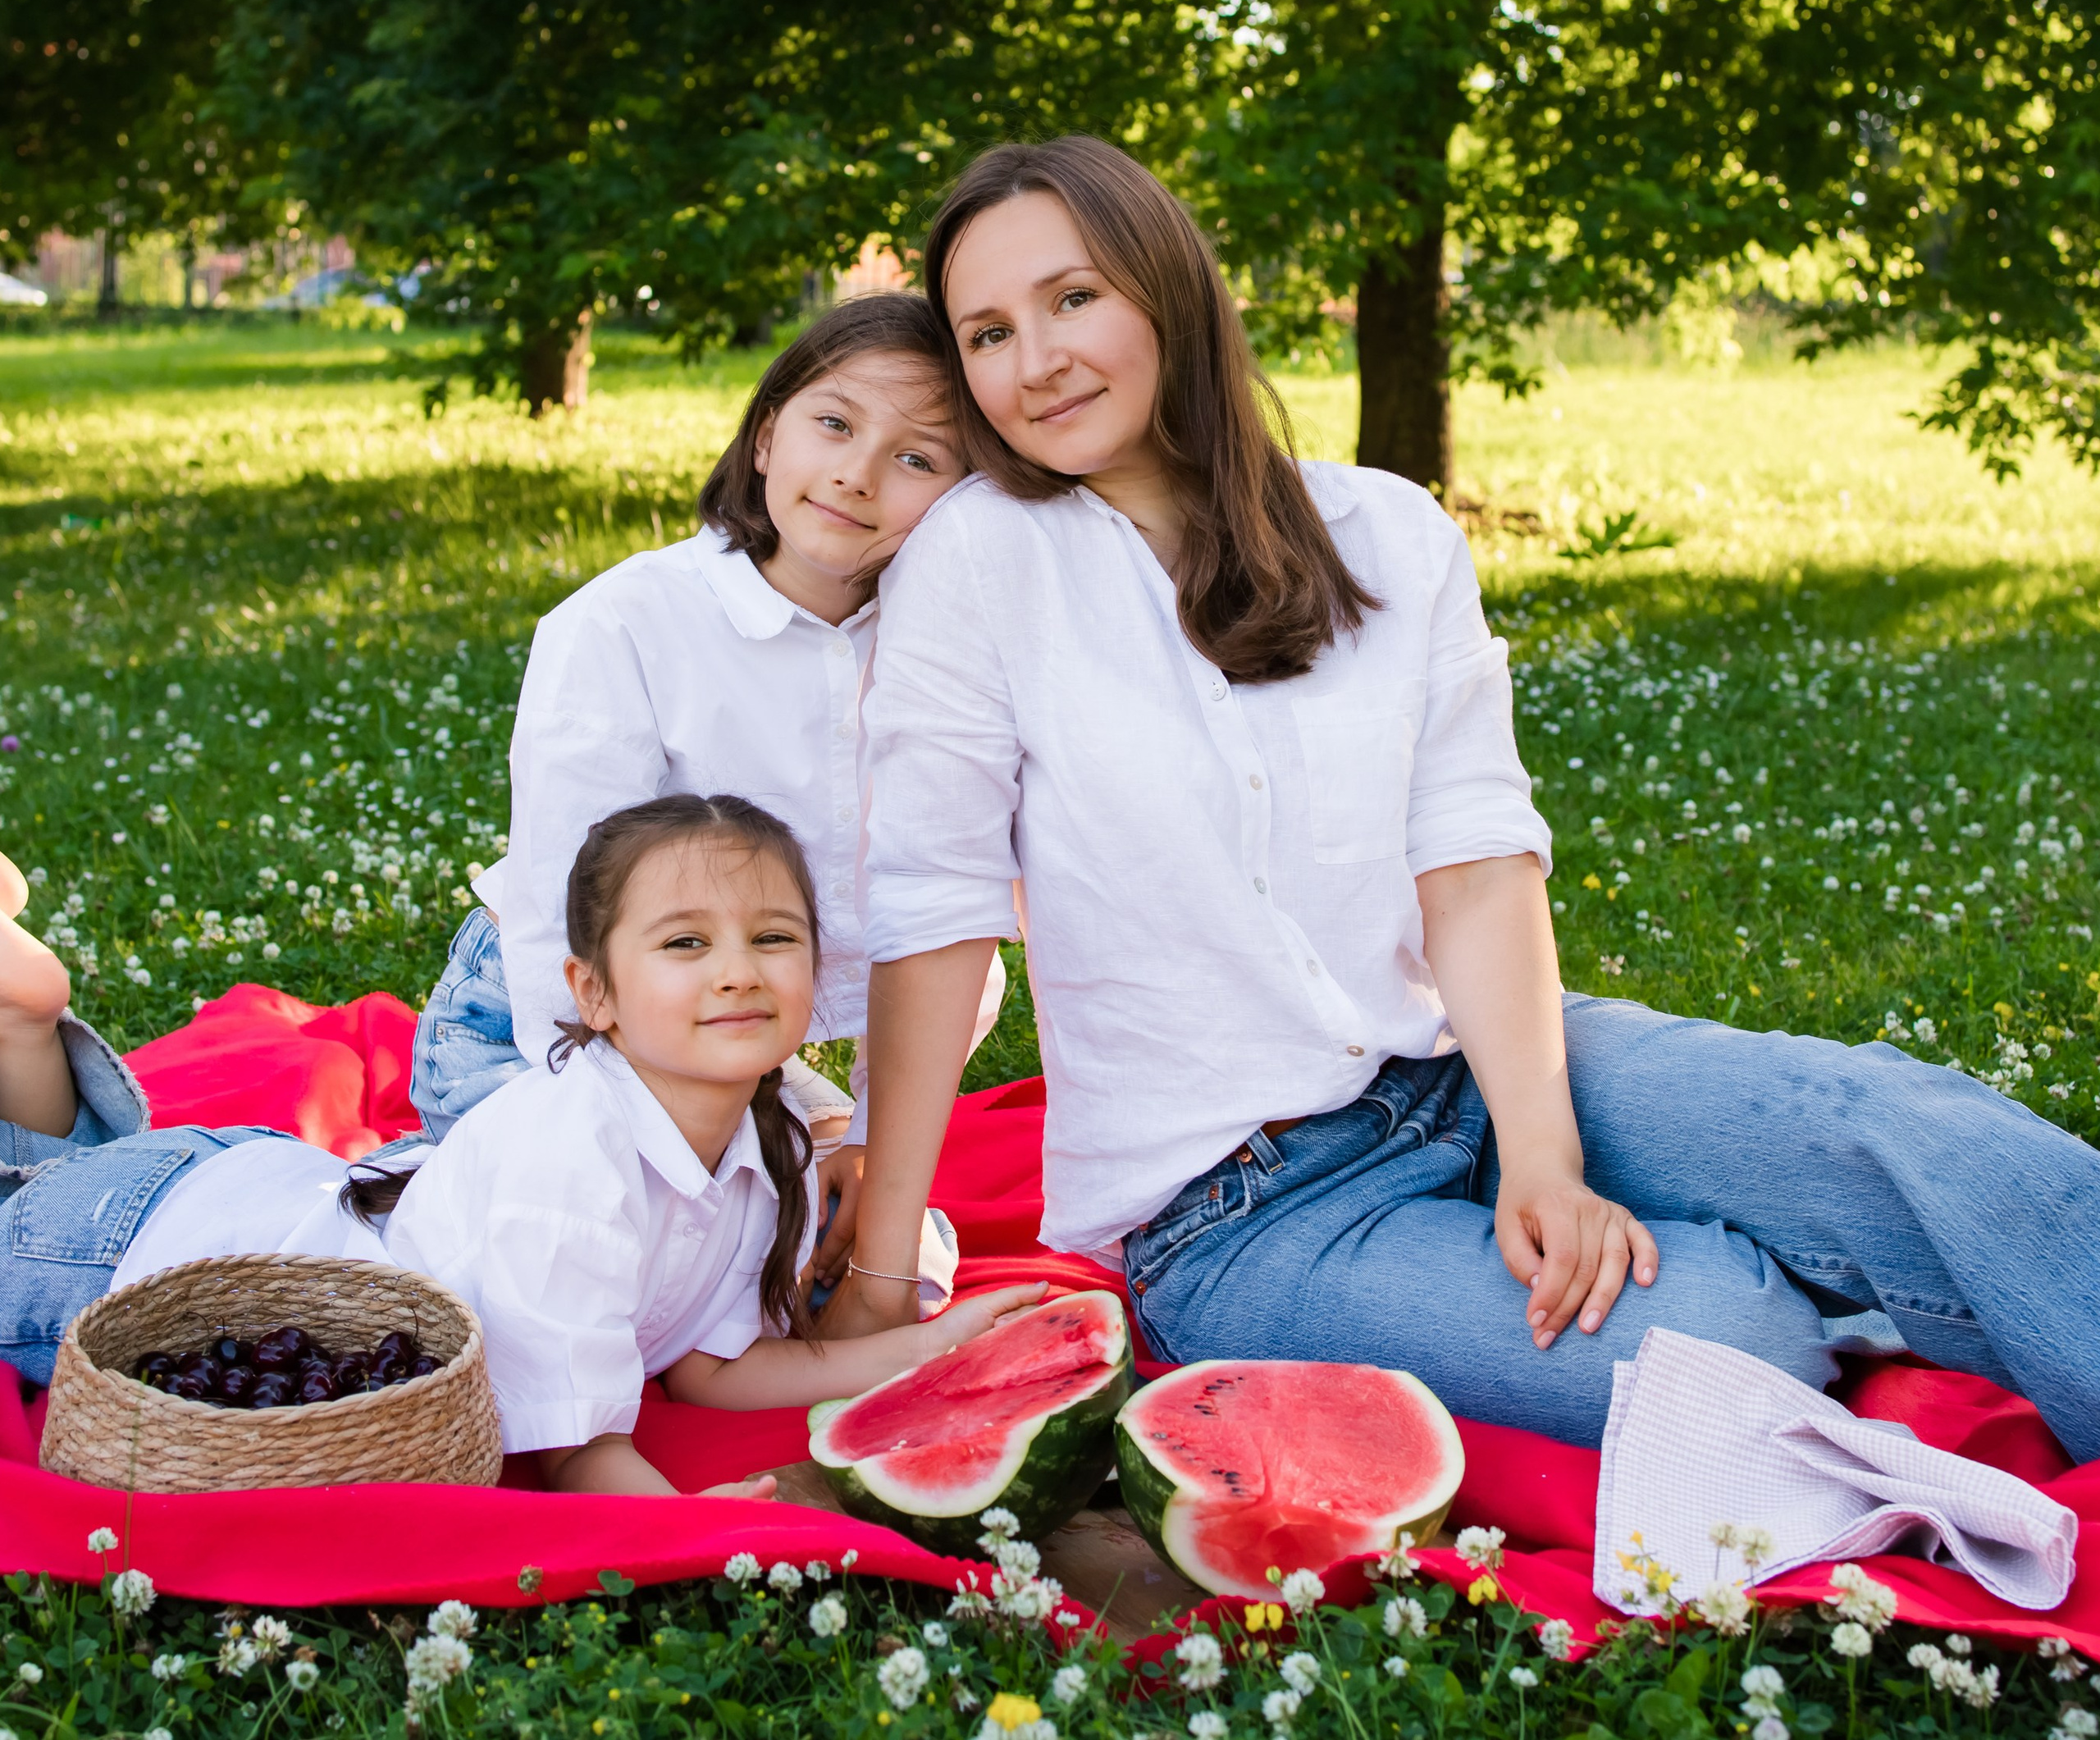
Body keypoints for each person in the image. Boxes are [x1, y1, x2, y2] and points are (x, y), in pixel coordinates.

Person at [824, 133, 2100, 1461]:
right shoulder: (980, 562)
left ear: (1167, 288)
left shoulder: (1389, 533)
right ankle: (1802, 1283)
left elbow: (1476, 861)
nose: (1036, 361)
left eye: (1073, 298)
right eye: (987, 334)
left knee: (1923, 1137)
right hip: (1243, 1217)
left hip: (1469, 1074)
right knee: (1734, 1341)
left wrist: (1544, 1154)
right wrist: (876, 1275)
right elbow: (936, 912)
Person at [0, 808, 1039, 1495]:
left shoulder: (766, 1149)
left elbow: (716, 1371)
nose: (736, 971)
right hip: (140, 1253)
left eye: (773, 938)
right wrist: (698, 1525)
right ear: (592, 991)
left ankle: (24, 1027)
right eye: (685, 942)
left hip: (251, 1191)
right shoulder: (570, 1155)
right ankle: (24, 1019)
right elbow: (578, 1454)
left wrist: (937, 1346)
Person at [412, 291, 1007, 1278]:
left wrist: (867, 1136)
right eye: (834, 424)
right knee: (643, 1274)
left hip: (732, 1039)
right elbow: (560, 925)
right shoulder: (623, 625)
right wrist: (621, 1148)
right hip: (551, 1031)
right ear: (767, 433)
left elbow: (945, 917)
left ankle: (779, 1153)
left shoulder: (944, 655)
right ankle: (407, 1189)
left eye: (918, 458)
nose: (857, 474)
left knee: (886, 1263)